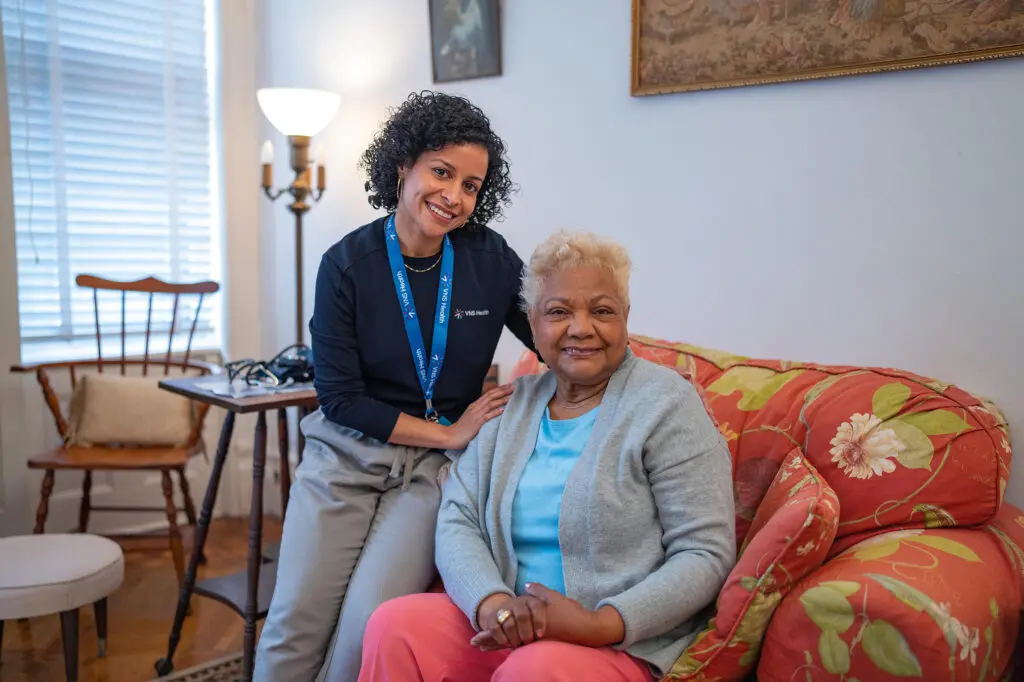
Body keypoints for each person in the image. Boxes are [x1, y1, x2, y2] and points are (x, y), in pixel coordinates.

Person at [357, 231, 737, 682]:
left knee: (533, 669)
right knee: (395, 625)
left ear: (625, 317)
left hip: (619, 640)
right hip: (505, 628)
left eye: (601, 311)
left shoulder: (667, 404)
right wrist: (491, 603)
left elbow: (704, 552)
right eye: (558, 312)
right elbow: (458, 517)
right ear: (533, 324)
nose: (581, 328)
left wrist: (600, 623)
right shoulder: (512, 404)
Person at [254, 91, 534, 682]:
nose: (454, 196)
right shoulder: (345, 265)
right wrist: (450, 430)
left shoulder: (489, 260)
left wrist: (619, 352)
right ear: (402, 165)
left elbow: (553, 332)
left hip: (431, 476)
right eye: (441, 172)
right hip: (345, 458)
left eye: (471, 185)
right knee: (295, 624)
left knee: (366, 625)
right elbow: (340, 399)